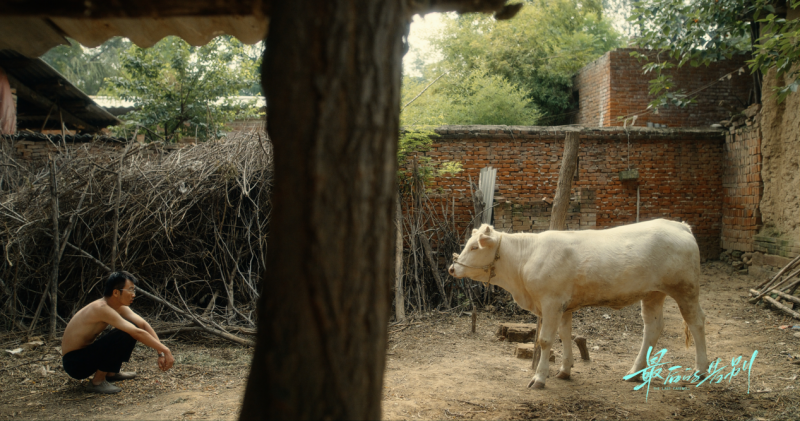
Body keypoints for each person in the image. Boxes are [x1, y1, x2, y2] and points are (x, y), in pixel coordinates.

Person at [61, 271, 175, 394]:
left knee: (132, 327)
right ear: (116, 292)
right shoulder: (101, 308)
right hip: (75, 363)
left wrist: (161, 353)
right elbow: (137, 332)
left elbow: (143, 325)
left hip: (84, 356)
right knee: (125, 333)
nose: (133, 294)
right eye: (130, 290)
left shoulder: (117, 306)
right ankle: (97, 382)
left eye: (134, 290)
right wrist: (166, 350)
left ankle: (111, 372)